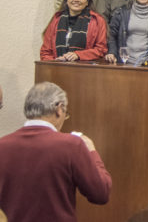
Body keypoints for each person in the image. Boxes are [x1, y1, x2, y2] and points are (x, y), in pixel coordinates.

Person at [0, 82, 112, 222]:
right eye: (66, 114)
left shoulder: (2, 145)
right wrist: (92, 152)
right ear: (59, 109)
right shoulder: (71, 145)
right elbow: (101, 193)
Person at [41, 0, 108, 61]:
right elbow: (45, 52)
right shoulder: (56, 20)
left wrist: (78, 55)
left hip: (86, 70)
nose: (76, 0)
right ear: (66, 0)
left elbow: (101, 49)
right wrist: (56, 62)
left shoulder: (97, 21)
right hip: (57, 69)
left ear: (87, 2)